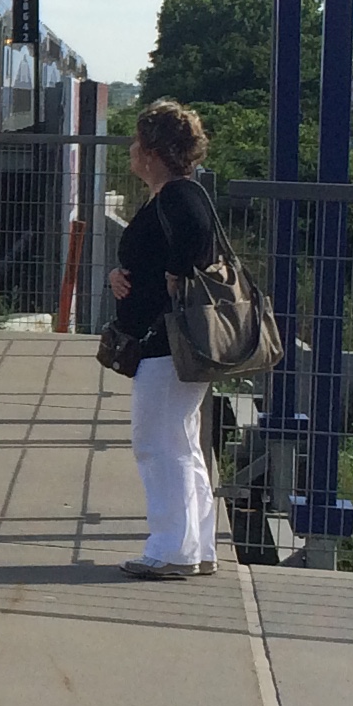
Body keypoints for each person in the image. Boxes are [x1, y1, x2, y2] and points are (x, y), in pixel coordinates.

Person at [107, 99, 222, 578]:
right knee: (182, 442)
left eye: (137, 142)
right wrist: (122, 274)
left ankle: (170, 548)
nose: (131, 151)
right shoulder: (175, 194)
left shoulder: (178, 197)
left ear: (152, 152)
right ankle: (197, 544)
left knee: (156, 443)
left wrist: (175, 274)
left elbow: (193, 238)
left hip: (167, 345)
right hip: (169, 344)